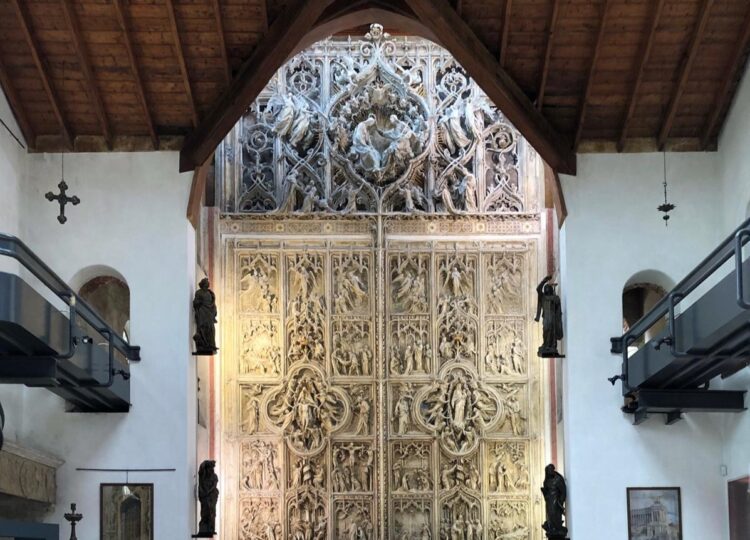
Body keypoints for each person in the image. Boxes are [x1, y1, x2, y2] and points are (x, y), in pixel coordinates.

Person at [535, 275, 564, 357]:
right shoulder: (543, 297)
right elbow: (538, 289)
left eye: (548, 288)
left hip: (552, 317)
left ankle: (551, 346)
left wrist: (555, 299)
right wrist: (545, 280)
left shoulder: (555, 298)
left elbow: (558, 306)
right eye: (545, 288)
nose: (546, 289)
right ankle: (546, 345)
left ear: (550, 290)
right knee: (546, 331)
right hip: (546, 317)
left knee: (551, 331)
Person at [193, 278, 218, 355]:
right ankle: (204, 345)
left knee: (211, 329)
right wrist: (199, 302)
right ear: (203, 284)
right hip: (202, 313)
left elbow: (213, 304)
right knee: (202, 328)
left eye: (208, 283)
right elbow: (195, 303)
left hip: (209, 313)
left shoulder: (210, 293)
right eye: (206, 283)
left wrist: (214, 312)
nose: (208, 284)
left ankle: (211, 345)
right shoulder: (198, 292)